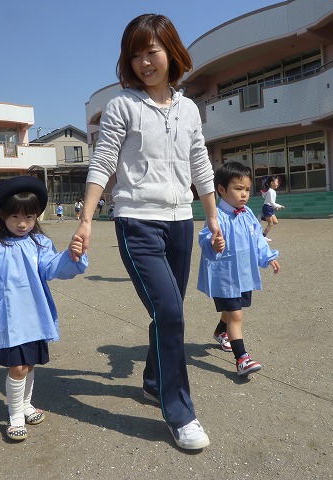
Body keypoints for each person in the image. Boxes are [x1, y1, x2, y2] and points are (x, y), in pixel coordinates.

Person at [70, 13, 223, 450]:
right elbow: (103, 161)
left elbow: (200, 163)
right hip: (136, 222)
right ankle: (180, 412)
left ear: (171, 52)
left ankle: (155, 381)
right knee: (171, 312)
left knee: (168, 312)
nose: (144, 63)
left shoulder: (189, 109)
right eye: (135, 55)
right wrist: (86, 219)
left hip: (180, 222)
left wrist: (212, 216)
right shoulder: (123, 105)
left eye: (152, 52)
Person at [0, 176, 87, 442]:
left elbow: (52, 267)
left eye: (28, 216)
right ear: (2, 215)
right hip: (7, 319)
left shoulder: (39, 243)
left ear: (36, 216)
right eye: (15, 216)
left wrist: (71, 255)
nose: (22, 223)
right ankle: (15, 415)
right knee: (16, 367)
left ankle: (26, 405)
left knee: (28, 365)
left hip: (34, 317)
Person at [197, 162, 281, 375]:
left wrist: (268, 257)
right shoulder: (216, 216)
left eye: (247, 189)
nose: (244, 194)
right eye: (238, 188)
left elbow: (258, 239)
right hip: (225, 276)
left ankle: (220, 332)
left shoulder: (248, 213)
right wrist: (213, 244)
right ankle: (242, 358)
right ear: (221, 189)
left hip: (244, 273)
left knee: (232, 310)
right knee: (236, 315)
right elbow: (205, 237)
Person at [261, 175, 285, 241]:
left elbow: (272, 202)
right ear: (272, 183)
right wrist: (279, 206)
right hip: (267, 208)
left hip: (270, 208)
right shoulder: (270, 191)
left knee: (275, 222)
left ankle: (262, 218)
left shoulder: (272, 191)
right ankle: (263, 237)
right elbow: (271, 202)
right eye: (276, 182)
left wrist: (275, 207)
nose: (278, 184)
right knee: (270, 224)